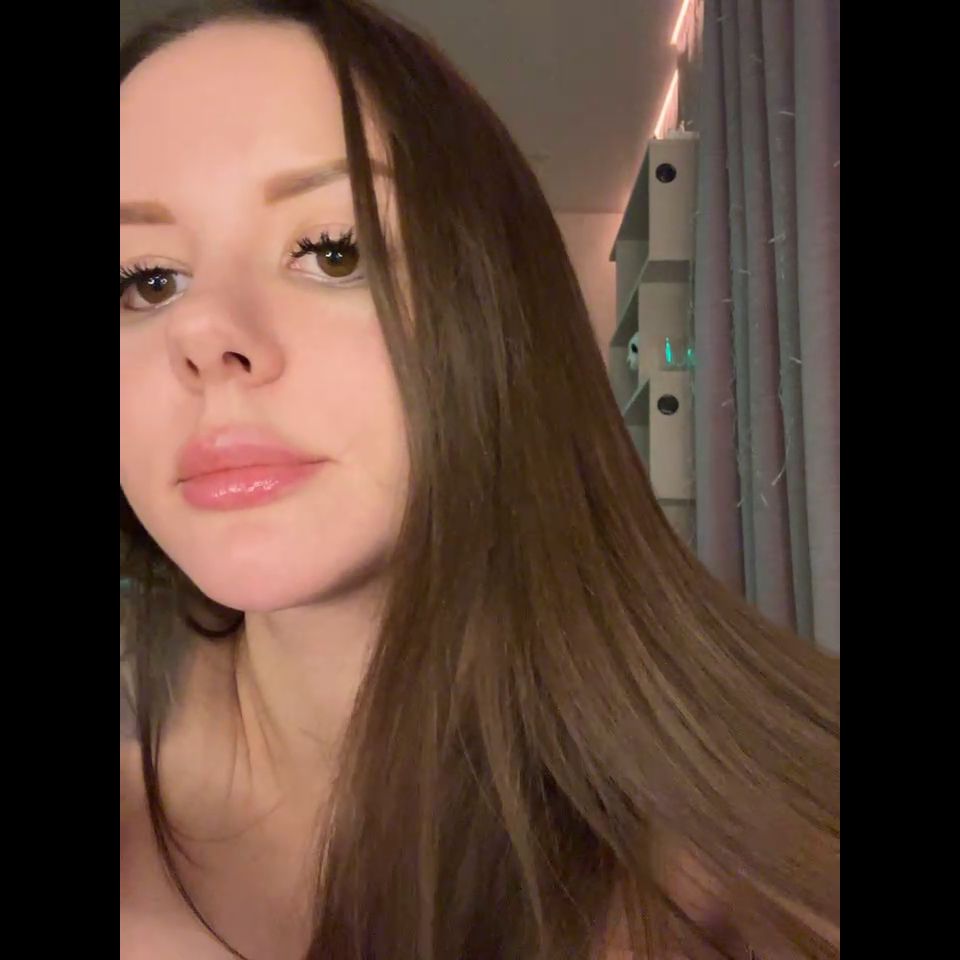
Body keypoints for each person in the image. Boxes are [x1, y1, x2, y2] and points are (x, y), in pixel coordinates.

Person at [119, 2, 840, 958]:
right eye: (147, 280)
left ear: (496, 300)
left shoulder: (777, 858)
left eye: (333, 250)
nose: (204, 334)